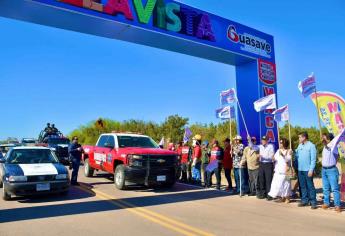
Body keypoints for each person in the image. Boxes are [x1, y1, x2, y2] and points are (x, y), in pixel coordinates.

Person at [295, 132, 317, 209]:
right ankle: (304, 201)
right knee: (302, 186)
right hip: (300, 169)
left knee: (310, 186)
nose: (299, 139)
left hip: (307, 170)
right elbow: (297, 156)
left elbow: (313, 160)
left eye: (300, 137)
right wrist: (293, 153)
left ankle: (313, 202)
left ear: (304, 137)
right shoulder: (299, 145)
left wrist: (311, 170)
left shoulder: (311, 146)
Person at [321, 133, 341, 213]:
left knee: (335, 189)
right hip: (324, 170)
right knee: (326, 188)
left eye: (324, 138)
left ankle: (337, 205)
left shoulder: (333, 146)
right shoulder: (324, 147)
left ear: (329, 139)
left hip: (332, 170)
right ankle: (326, 203)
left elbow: (337, 156)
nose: (323, 139)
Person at [268, 138, 293, 203]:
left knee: (286, 185)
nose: (280, 144)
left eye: (281, 142)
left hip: (285, 171)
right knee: (278, 185)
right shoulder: (278, 150)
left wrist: (282, 155)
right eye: (280, 142)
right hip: (278, 170)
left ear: (284, 143)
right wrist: (273, 158)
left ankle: (287, 197)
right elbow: (274, 159)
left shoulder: (289, 151)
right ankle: (282, 197)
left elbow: (288, 160)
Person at [257, 136, 275, 200]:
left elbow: (270, 157)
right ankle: (262, 194)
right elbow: (252, 146)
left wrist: (262, 156)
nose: (263, 141)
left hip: (268, 164)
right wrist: (249, 140)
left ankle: (269, 195)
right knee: (261, 179)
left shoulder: (271, 146)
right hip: (261, 164)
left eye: (264, 140)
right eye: (262, 140)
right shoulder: (260, 146)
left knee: (268, 180)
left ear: (267, 140)